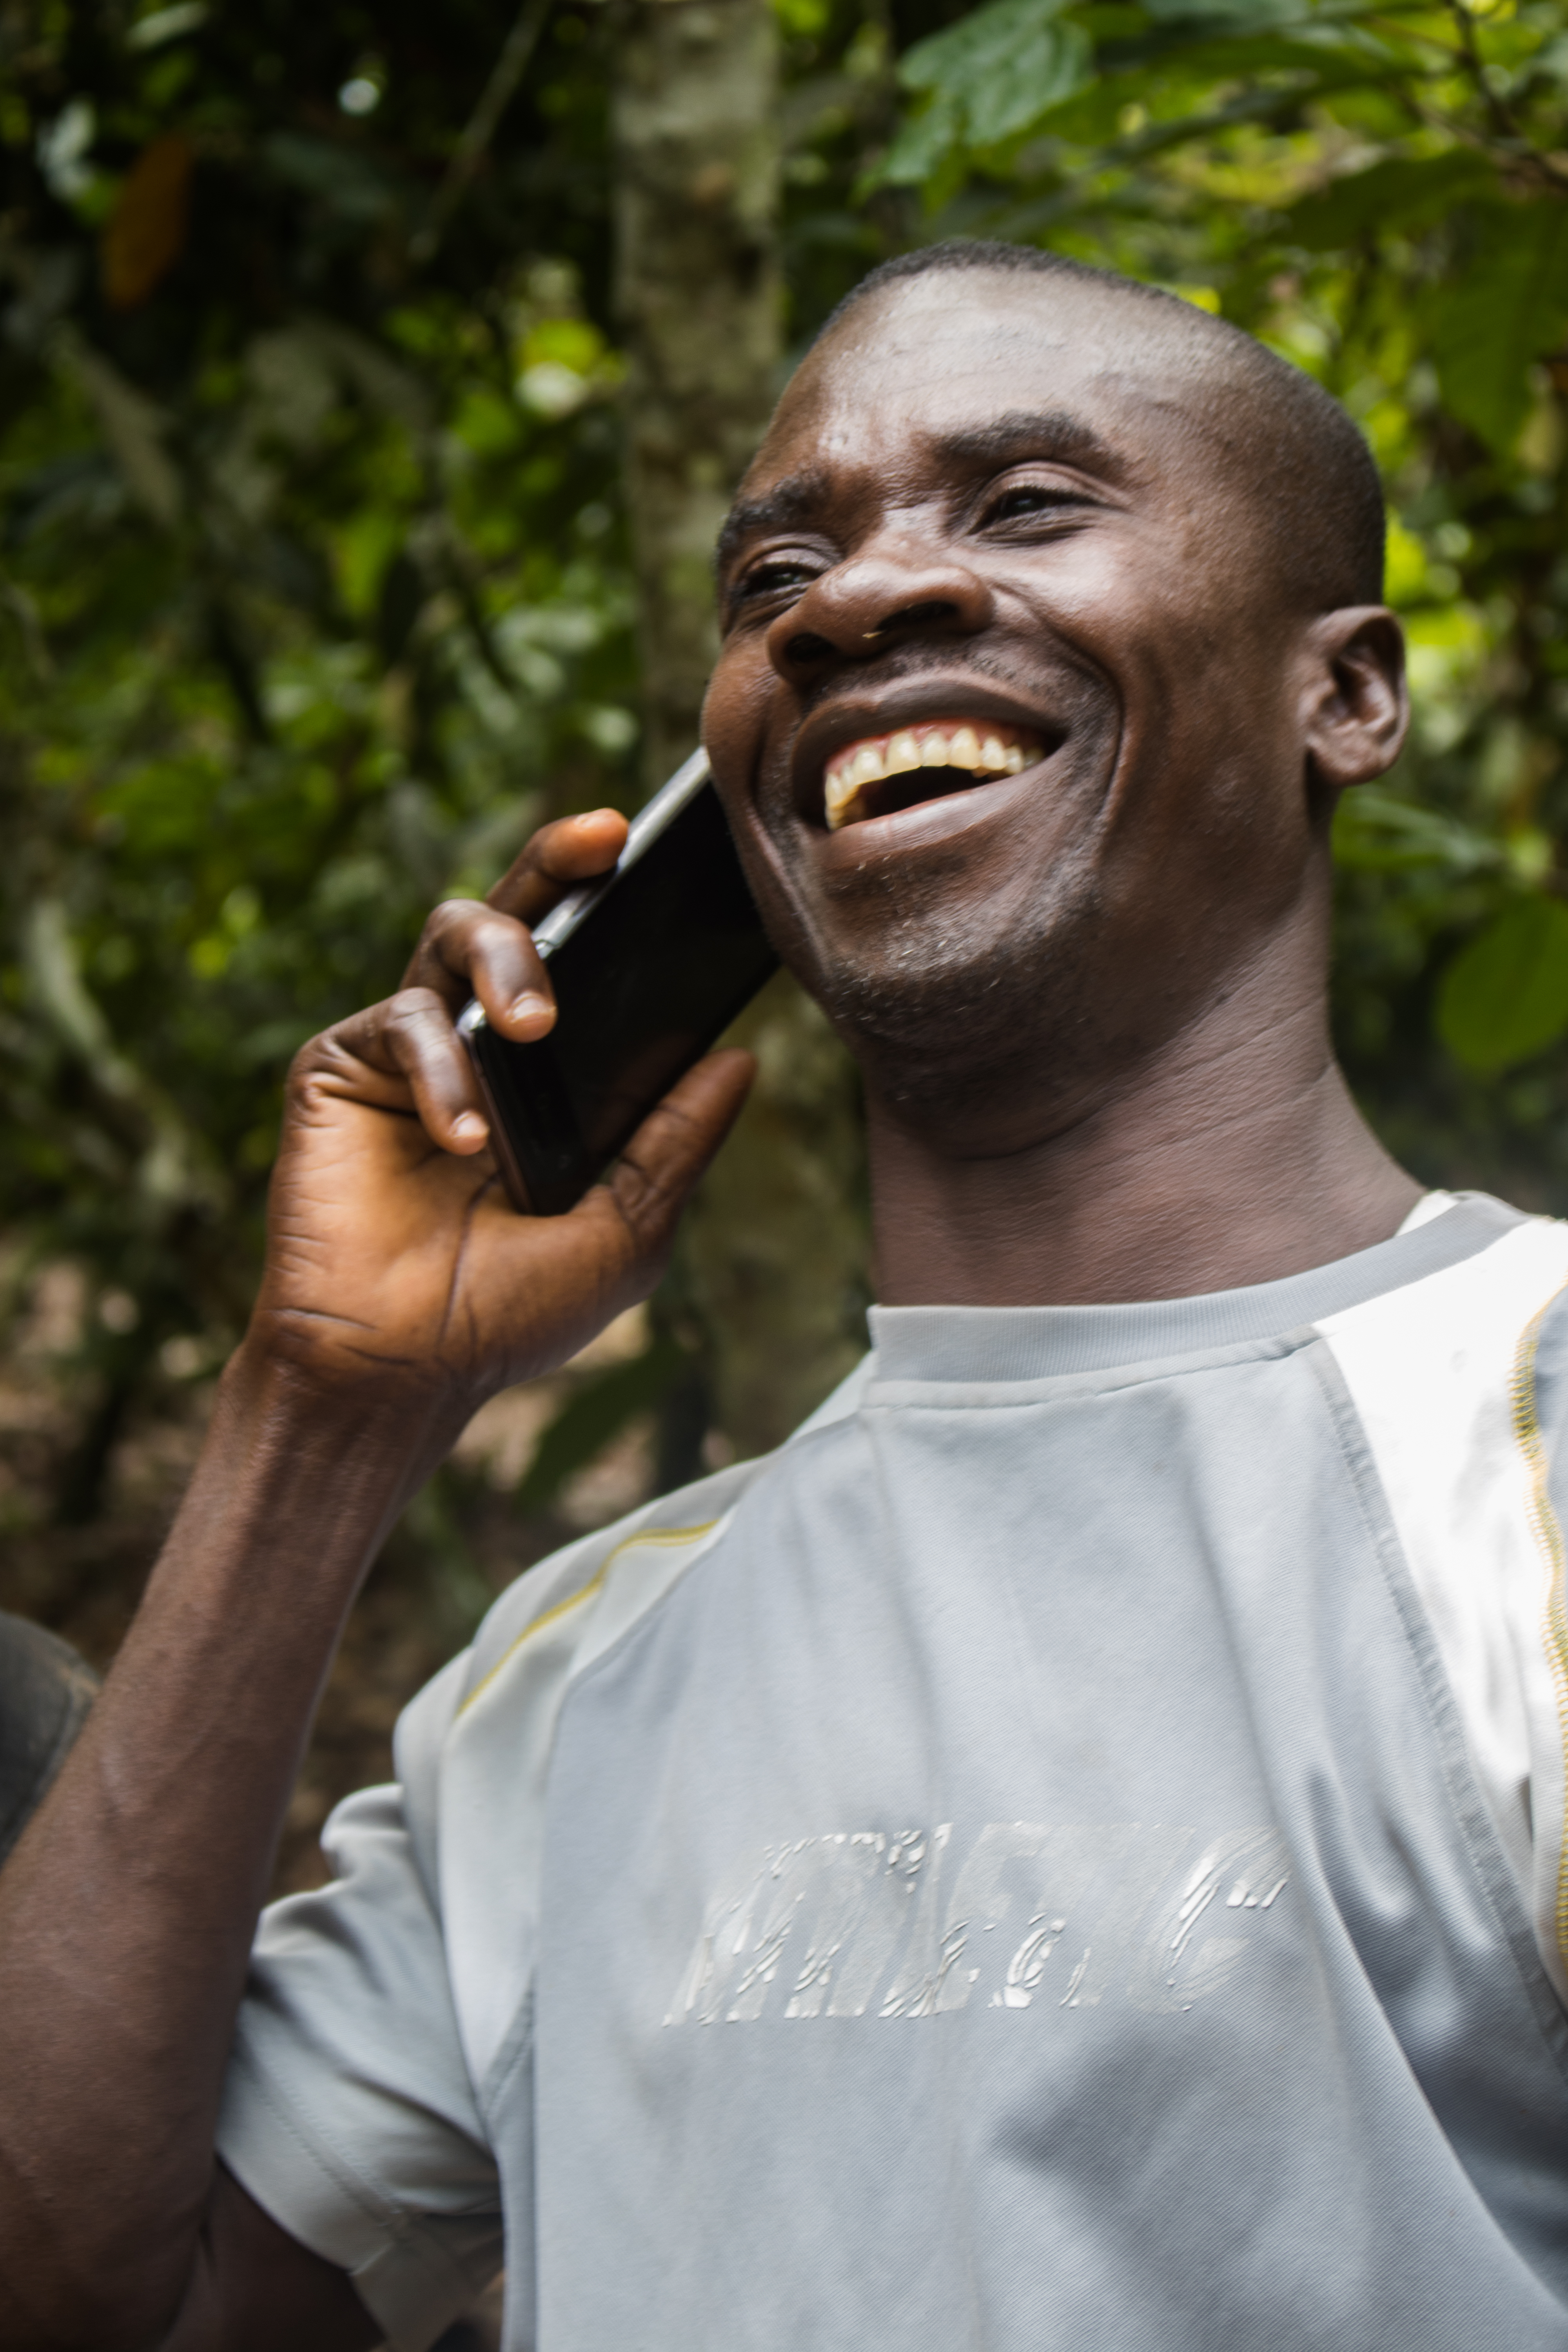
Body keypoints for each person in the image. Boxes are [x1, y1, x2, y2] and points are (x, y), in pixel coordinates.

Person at [4, 240, 1568, 2352]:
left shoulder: (1530, 1447)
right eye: (772, 583)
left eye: (1029, 506)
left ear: (1348, 694)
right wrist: (325, 1411)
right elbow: (87, 2294)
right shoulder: (571, 1686)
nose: (849, 605)